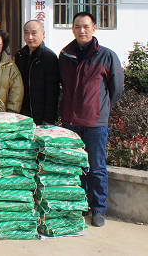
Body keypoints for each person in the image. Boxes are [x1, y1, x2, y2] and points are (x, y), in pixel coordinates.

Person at [58, 12, 124, 228]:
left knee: (96, 167)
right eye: (77, 26)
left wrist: (100, 109)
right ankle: (80, 205)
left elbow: (116, 88)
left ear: (94, 29)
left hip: (95, 123)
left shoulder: (107, 56)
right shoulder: (65, 55)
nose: (81, 30)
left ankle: (98, 208)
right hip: (70, 122)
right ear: (72, 29)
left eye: (86, 26)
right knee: (75, 166)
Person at [14, 19, 60, 125]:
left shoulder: (49, 57)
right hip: (22, 112)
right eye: (26, 33)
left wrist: (49, 118)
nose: (30, 37)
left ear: (43, 34)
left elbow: (52, 91)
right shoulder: (20, 55)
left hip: (41, 114)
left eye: (34, 33)